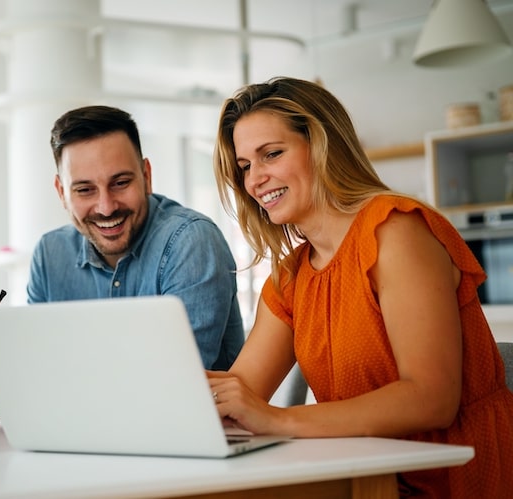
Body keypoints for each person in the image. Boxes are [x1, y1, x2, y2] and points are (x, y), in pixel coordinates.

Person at [207, 76, 513, 498]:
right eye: (244, 166)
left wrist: (279, 419)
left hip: (453, 475)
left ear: (322, 145)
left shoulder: (396, 232)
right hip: (366, 472)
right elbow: (237, 395)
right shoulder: (291, 277)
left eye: (271, 154)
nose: (256, 178)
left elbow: (432, 398)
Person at [0, 105, 244, 421]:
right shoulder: (50, 254)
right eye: (84, 189)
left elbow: (176, 390)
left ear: (146, 177)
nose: (105, 207)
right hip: (88, 443)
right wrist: (8, 397)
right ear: (62, 192)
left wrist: (45, 391)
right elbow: (42, 370)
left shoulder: (191, 241)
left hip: (192, 447)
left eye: (120, 183)